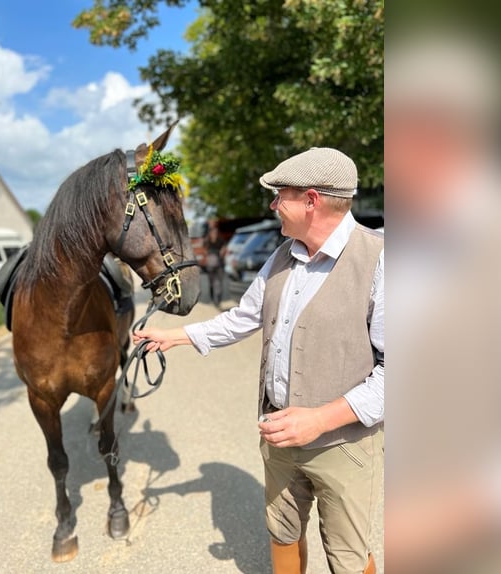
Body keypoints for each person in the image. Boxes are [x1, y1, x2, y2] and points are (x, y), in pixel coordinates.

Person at [134, 147, 383, 574]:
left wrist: (321, 419)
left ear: (311, 200)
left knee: (347, 556)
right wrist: (175, 337)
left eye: (278, 196)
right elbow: (242, 318)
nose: (272, 206)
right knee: (283, 532)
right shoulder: (283, 255)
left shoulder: (381, 260)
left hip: (345, 445)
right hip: (279, 436)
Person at [203, 224, 226, 308]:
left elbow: (224, 247)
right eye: (212, 232)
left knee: (219, 283)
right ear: (210, 233)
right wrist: (208, 257)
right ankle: (213, 300)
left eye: (215, 232)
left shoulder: (220, 240)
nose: (214, 234)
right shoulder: (207, 241)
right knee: (211, 283)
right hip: (211, 264)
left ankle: (218, 301)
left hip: (219, 264)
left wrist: (222, 251)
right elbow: (204, 250)